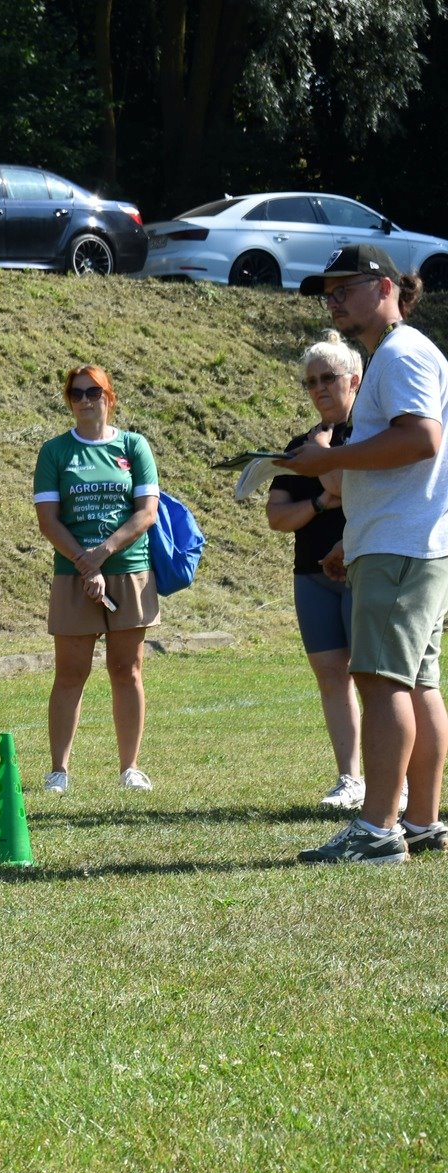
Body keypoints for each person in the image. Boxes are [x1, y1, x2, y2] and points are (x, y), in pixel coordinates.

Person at [286, 245, 448, 864]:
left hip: (401, 548)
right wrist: (350, 540)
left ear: (384, 288)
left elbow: (421, 440)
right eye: (327, 293)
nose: (333, 302)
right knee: (417, 683)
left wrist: (327, 459)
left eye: (343, 289)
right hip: (405, 543)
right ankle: (422, 821)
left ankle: (378, 830)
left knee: (380, 683)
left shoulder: (402, 353)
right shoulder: (398, 353)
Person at [33, 364, 160, 795]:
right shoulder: (55, 451)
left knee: (127, 670)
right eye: (76, 393)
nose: (85, 400)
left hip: (128, 570)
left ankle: (131, 768)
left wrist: (101, 555)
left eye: (94, 392)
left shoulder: (134, 446)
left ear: (110, 397)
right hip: (73, 574)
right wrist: (84, 564)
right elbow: (48, 520)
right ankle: (59, 771)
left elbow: (146, 513)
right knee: (70, 672)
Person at [267, 331, 365, 811]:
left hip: (364, 569)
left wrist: (324, 451)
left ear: (354, 379)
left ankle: (398, 781)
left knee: (377, 677)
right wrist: (323, 502)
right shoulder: (298, 447)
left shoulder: (369, 436)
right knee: (331, 675)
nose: (320, 388)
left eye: (328, 377)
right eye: (311, 381)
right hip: (311, 574)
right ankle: (350, 778)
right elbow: (277, 517)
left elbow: (343, 481)